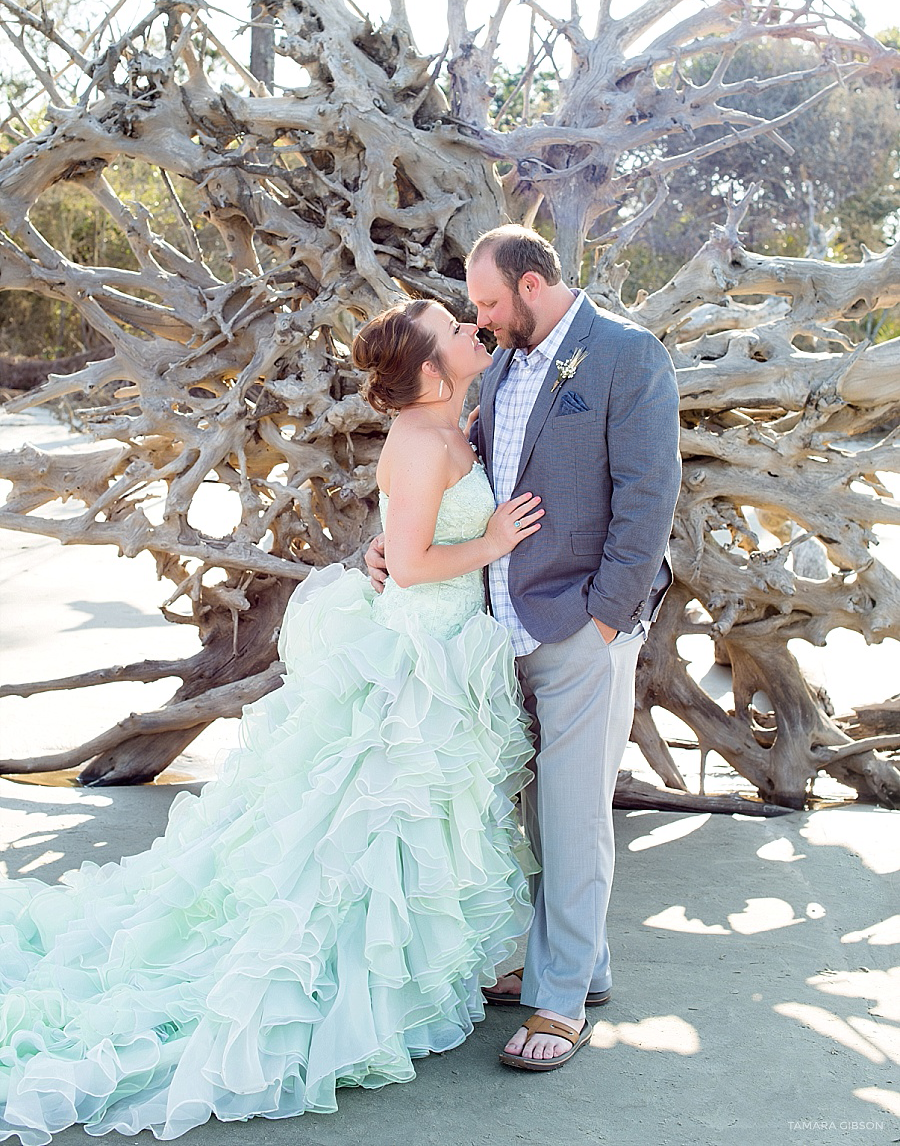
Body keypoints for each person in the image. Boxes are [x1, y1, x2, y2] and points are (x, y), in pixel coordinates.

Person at [0, 298, 544, 1144]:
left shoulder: (460, 419)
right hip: (414, 652)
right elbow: (407, 564)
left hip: (450, 645)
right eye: (458, 329)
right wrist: (494, 541)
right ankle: (343, 988)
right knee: (362, 825)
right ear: (434, 371)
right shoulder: (421, 438)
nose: (475, 330)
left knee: (423, 822)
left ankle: (411, 972)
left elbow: (401, 537)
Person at [367, 224, 681, 1070]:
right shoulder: (500, 362)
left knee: (574, 813)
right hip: (492, 628)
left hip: (579, 624)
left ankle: (559, 1005)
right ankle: (583, 964)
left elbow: (650, 498)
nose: (482, 317)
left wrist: (605, 618)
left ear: (533, 284)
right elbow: (460, 481)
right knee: (533, 812)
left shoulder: (626, 354)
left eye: (490, 301)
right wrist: (392, 543)